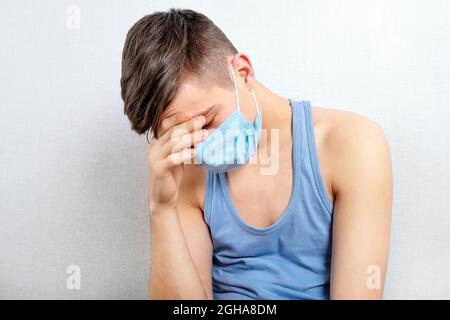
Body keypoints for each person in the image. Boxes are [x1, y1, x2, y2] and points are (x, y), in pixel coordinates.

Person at [120, 8, 393, 300]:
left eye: (208, 121)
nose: (200, 146)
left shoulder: (353, 144)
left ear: (243, 72)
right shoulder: (185, 172)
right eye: (184, 136)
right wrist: (161, 207)